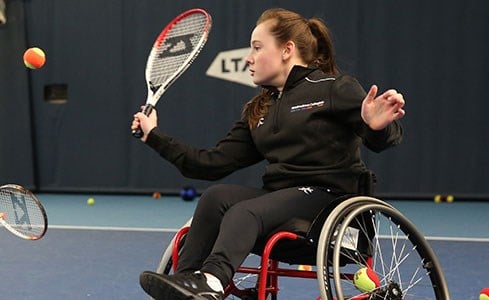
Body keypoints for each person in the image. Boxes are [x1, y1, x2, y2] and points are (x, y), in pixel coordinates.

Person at [131, 8, 405, 300]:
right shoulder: (259, 110)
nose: (248, 58)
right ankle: (187, 285)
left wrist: (375, 127)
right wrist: (154, 136)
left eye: (257, 48)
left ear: (287, 50)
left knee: (244, 211)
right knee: (216, 197)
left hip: (331, 209)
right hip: (280, 208)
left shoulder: (333, 88)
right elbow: (208, 164)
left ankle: (212, 282)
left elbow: (385, 139)